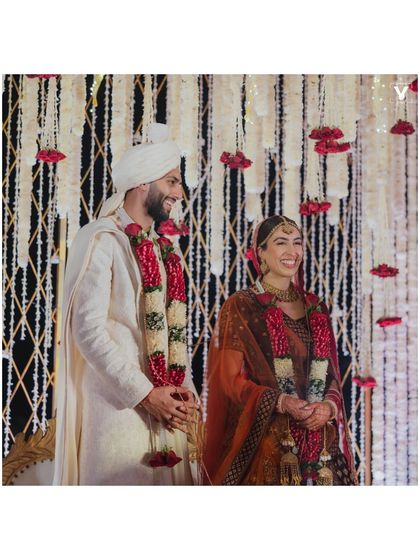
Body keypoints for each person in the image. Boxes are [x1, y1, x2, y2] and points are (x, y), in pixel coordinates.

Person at [53, 123, 199, 485]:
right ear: (143, 183)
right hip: (119, 417)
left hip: (166, 418)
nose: (179, 193)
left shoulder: (162, 250)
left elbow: (170, 334)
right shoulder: (102, 239)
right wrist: (145, 394)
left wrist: (186, 394)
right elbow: (87, 330)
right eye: (172, 181)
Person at [203, 214, 358, 485]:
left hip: (321, 447)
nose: (292, 251)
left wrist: (329, 407)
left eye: (297, 243)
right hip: (266, 445)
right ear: (260, 253)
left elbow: (331, 374)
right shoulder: (242, 306)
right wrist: (282, 402)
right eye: (281, 242)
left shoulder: (315, 307)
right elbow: (228, 381)